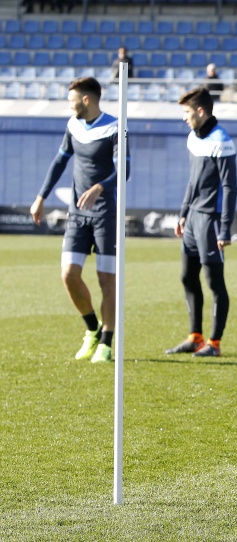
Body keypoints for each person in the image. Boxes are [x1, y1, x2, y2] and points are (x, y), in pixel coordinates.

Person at [29, 77, 130, 363]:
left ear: (86, 99)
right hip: (77, 215)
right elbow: (59, 161)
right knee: (69, 274)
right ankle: (92, 328)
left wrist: (100, 187)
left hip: (105, 215)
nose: (68, 104)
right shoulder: (73, 125)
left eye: (71, 99)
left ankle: (106, 343)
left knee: (106, 281)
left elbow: (124, 170)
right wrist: (41, 196)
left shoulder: (115, 127)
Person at [165, 87, 237, 358]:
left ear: (200, 111)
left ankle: (214, 343)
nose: (184, 117)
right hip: (193, 218)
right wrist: (183, 212)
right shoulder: (193, 138)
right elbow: (193, 181)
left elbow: (230, 188)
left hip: (211, 221)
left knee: (214, 282)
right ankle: (195, 337)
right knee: (187, 276)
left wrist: (225, 228)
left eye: (187, 112)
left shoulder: (222, 140)